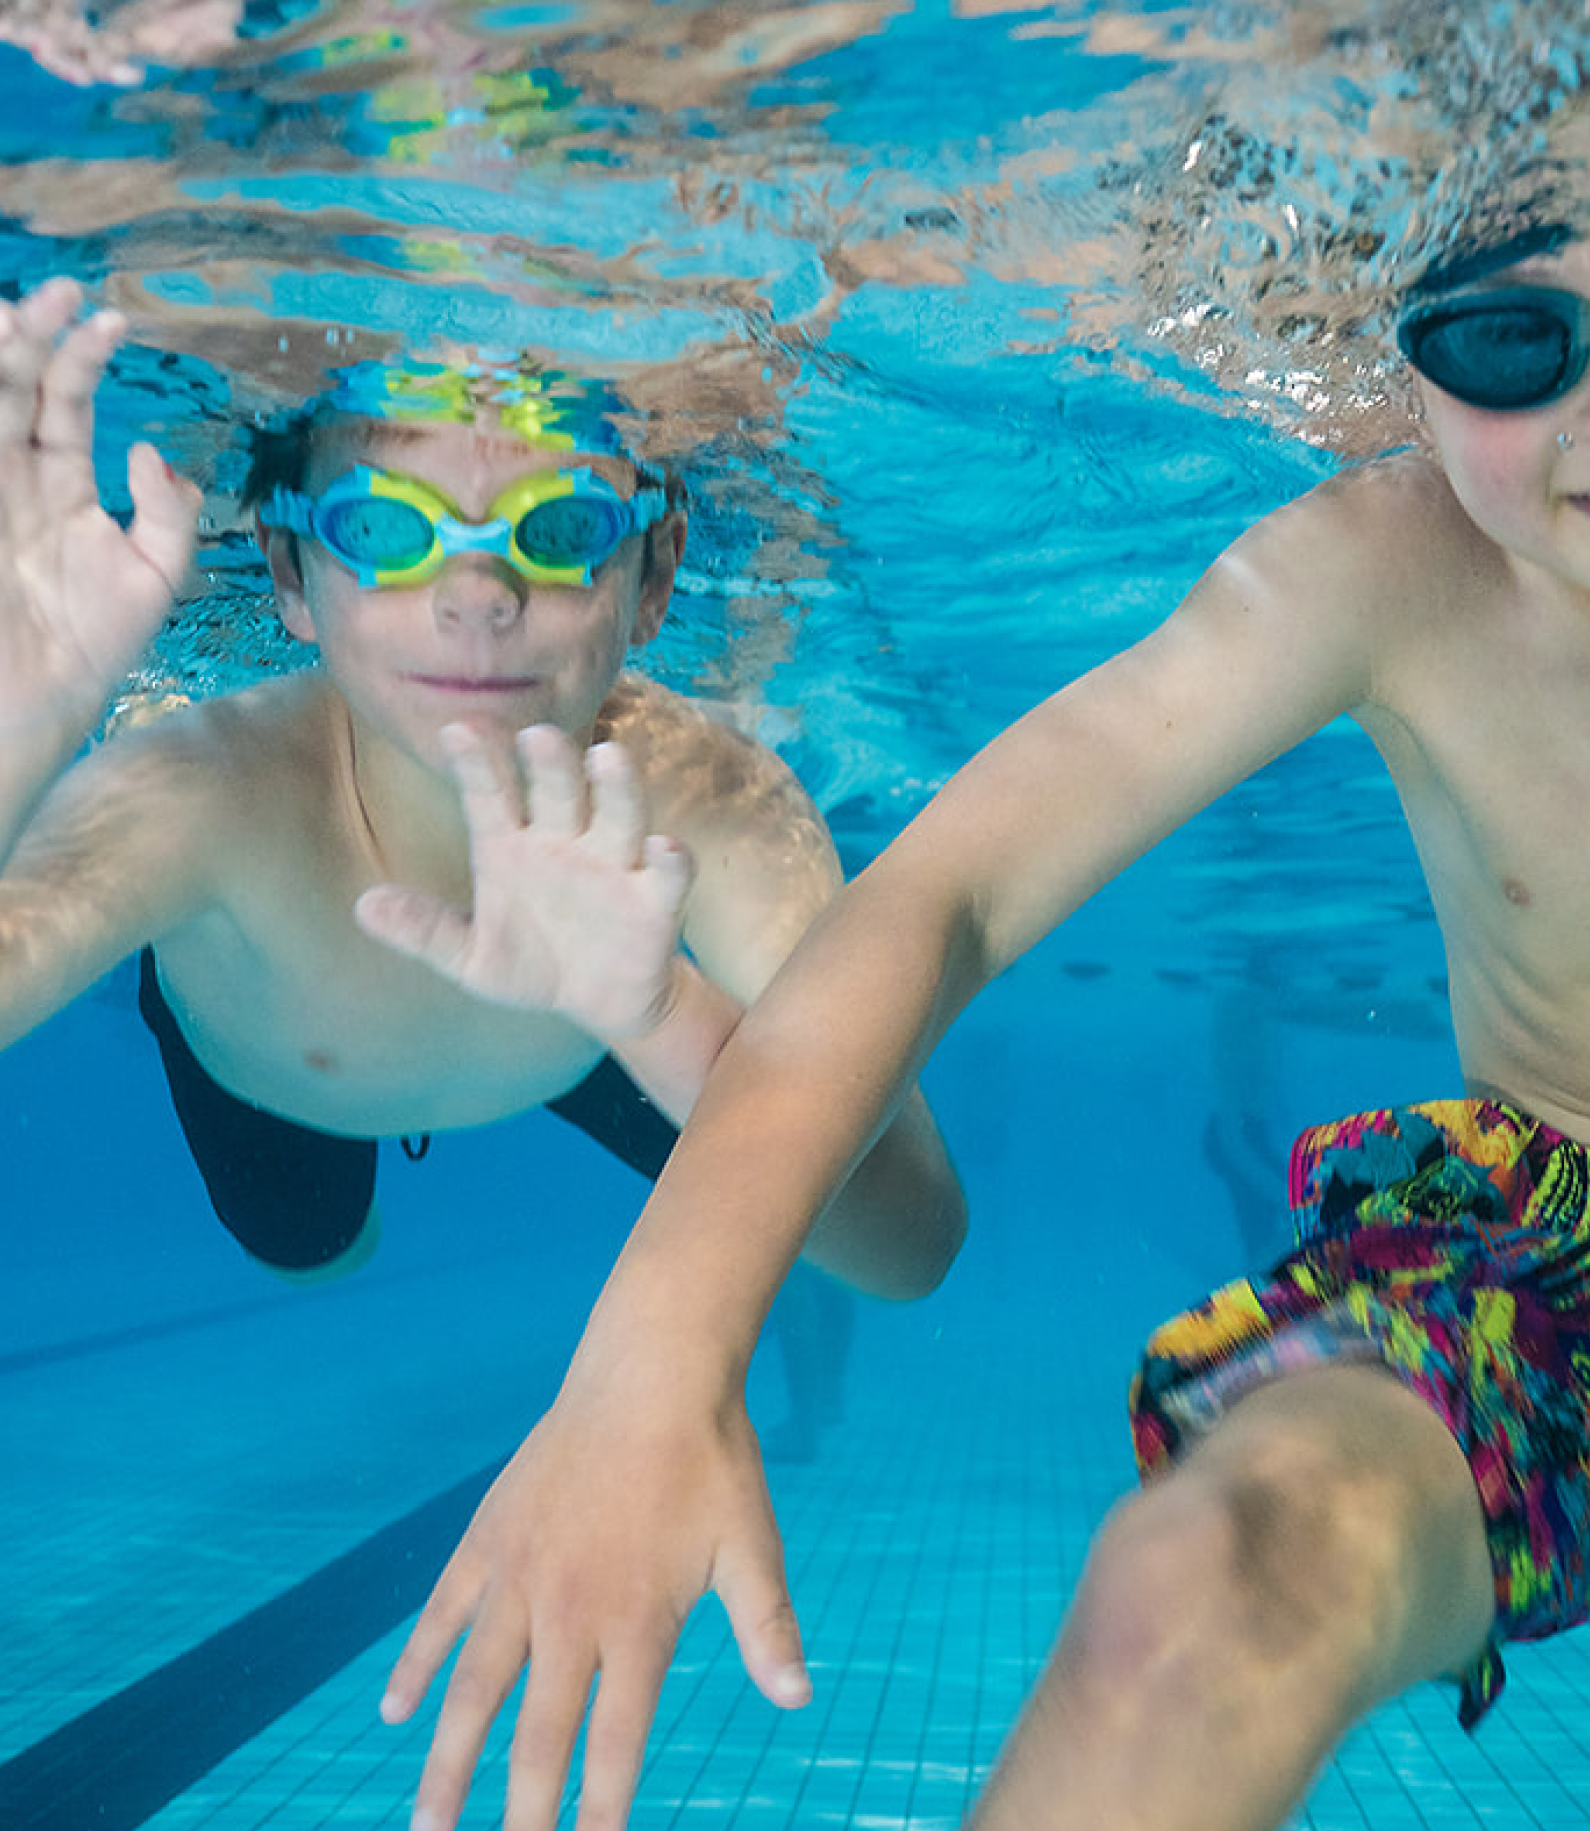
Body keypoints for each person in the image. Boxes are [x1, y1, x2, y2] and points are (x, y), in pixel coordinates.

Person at [374, 139, 1590, 1831]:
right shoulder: (1380, 565)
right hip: (1554, 1294)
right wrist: (650, 1364)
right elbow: (943, 898)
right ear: (1411, 351)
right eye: (1511, 342)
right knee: (1197, 1577)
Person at [0, 275, 962, 1309]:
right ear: (287, 574)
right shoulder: (199, 789)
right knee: (313, 1252)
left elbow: (914, 1246)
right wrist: (22, 732)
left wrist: (658, 1016)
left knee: (786, 1218)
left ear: (654, 580)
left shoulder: (713, 799)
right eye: (382, 531)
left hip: (592, 1021)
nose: (475, 600)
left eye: (557, 531)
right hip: (272, 1082)